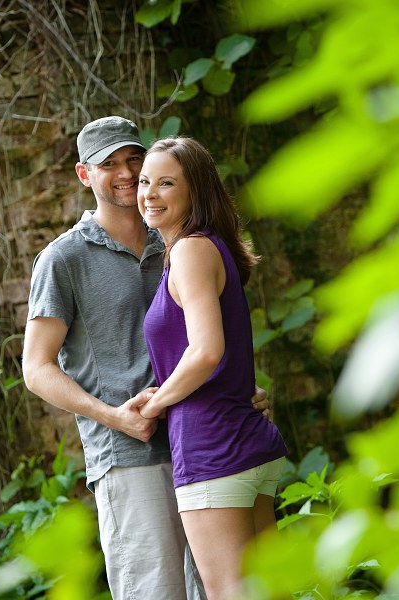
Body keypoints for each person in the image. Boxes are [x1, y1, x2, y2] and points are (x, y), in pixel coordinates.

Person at [22, 116, 268, 600]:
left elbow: (207, 338)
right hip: (130, 454)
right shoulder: (63, 259)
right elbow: (36, 368)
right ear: (83, 175)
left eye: (135, 159)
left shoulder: (177, 237)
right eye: (108, 164)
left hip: (204, 442)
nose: (127, 173)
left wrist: (235, 388)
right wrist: (114, 417)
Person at [136, 136, 288, 600]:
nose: (150, 194)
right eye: (145, 182)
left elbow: (206, 351)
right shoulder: (208, 248)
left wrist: (156, 403)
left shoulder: (189, 251)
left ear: (194, 192)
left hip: (212, 450)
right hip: (245, 445)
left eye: (166, 183)